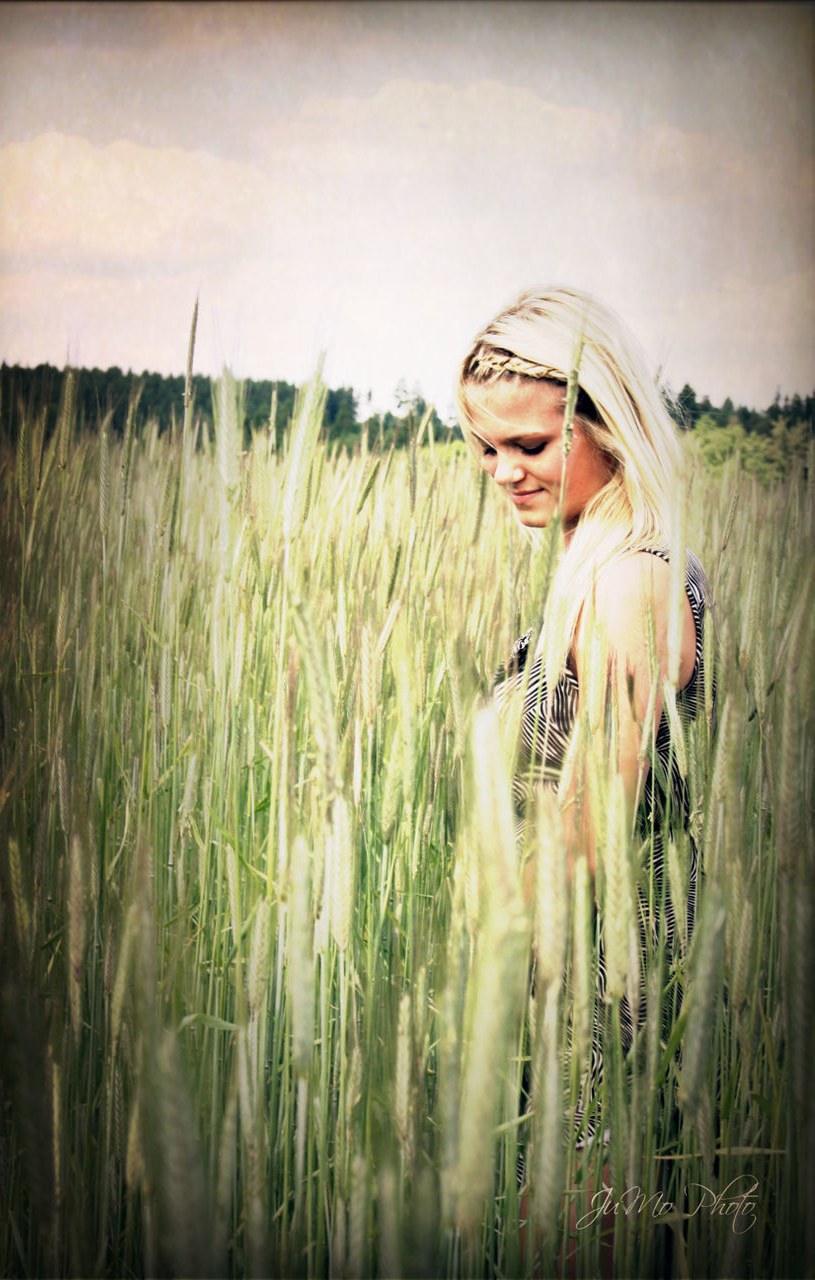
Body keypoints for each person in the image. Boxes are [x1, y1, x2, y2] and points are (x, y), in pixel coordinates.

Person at [456, 285, 713, 1267]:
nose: (501, 472)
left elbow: (592, 818)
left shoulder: (629, 578)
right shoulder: (593, 561)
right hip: (563, 968)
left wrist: (469, 977)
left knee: (574, 1243)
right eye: (485, 447)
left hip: (606, 985)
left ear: (610, 421)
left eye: (530, 443)